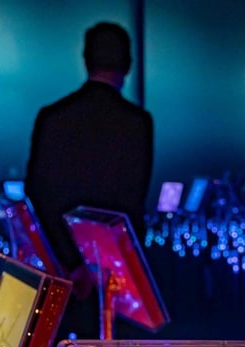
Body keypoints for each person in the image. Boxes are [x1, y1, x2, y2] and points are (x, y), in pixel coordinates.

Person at [25, 22, 154, 299]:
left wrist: (69, 261)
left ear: (85, 61)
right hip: (116, 271)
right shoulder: (137, 123)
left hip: (64, 271)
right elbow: (131, 201)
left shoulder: (51, 117)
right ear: (129, 66)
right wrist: (106, 263)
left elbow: (36, 190)